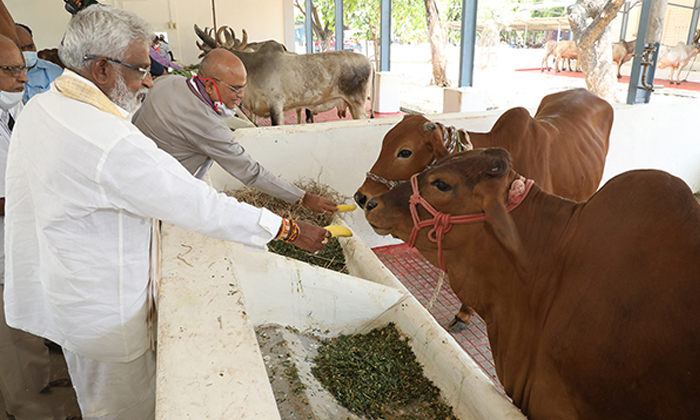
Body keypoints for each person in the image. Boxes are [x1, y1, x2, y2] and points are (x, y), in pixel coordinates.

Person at [3, 5, 330, 420]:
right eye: (140, 69)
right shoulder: (107, 140)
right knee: (124, 410)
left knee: (95, 397)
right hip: (107, 311)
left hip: (68, 290)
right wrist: (285, 228)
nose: (147, 82)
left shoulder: (43, 106)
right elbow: (198, 203)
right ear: (102, 68)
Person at [133, 48, 339, 215]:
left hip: (139, 173)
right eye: (234, 88)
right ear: (210, 86)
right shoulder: (208, 125)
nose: (241, 95)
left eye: (243, 87)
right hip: (158, 198)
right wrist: (302, 197)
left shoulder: (168, 82)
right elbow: (251, 172)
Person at [0, 34, 68, 420]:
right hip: (3, 251)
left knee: (29, 327)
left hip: (21, 244)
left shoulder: (13, 111)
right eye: (10, 71)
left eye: (22, 69)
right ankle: (28, 408)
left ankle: (40, 387)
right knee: (12, 340)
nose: (22, 79)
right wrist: (46, 194)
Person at [15, 23, 64, 103]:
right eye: (21, 48)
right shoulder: (4, 74)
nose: (27, 52)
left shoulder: (54, 71)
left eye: (30, 47)